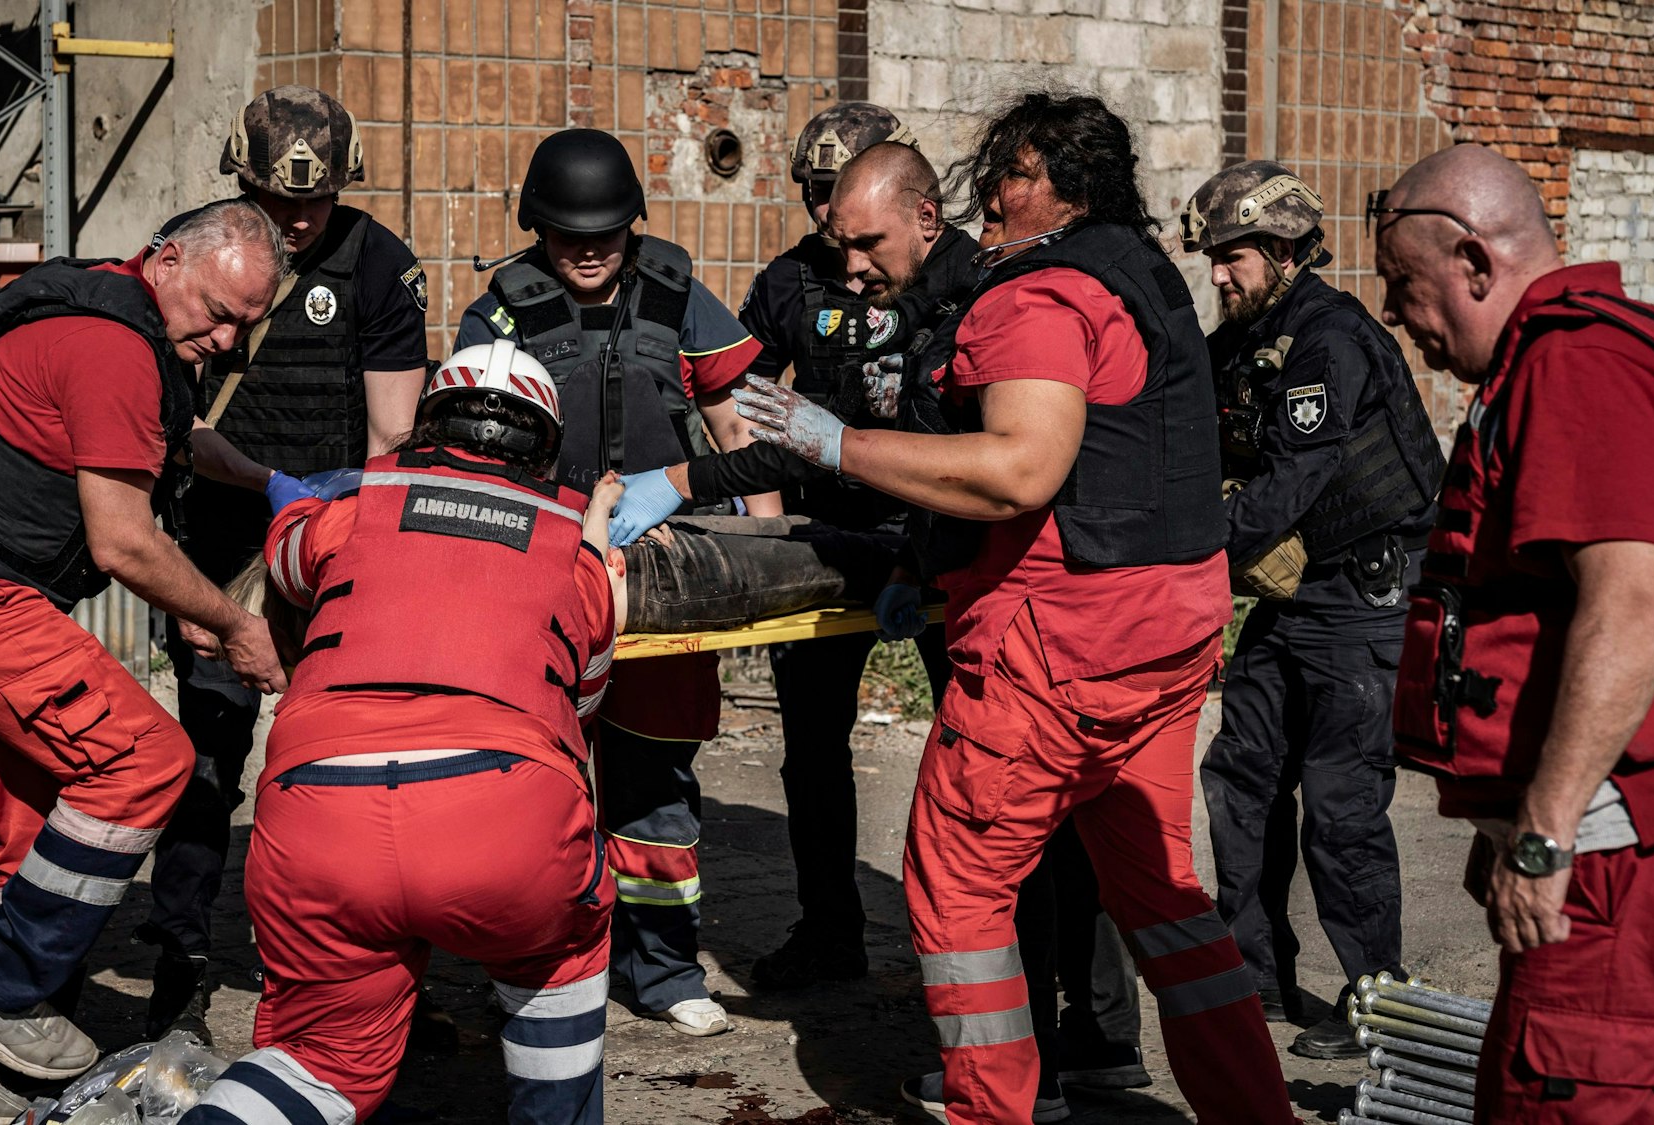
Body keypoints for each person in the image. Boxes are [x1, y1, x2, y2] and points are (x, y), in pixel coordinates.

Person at [735, 91, 1295, 1125]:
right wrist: (929, 559)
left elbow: (1017, 471)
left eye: (1001, 182)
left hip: (1058, 648)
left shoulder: (1032, 298)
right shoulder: (1140, 275)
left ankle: (994, 1108)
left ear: (1038, 183)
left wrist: (833, 443)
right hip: (1166, 636)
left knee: (955, 891)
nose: (985, 197)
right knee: (1163, 900)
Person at [0, 201, 289, 1124]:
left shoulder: (113, 315)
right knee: (144, 763)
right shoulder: (115, 347)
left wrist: (268, 482)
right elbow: (124, 542)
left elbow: (162, 444)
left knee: (47, 816)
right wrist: (235, 624)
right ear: (167, 260)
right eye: (216, 309)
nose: (225, 338)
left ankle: (15, 1082)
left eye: (248, 324)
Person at [176, 340, 625, 1125]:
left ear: (428, 427)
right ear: (545, 446)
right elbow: (578, 711)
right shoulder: (574, 553)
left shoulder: (356, 508)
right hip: (502, 814)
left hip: (319, 809)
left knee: (320, 1060)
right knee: (561, 951)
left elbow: (287, 564)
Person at [1380, 144, 1654, 1122]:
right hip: (1645, 842)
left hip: (1610, 856)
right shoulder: (1600, 349)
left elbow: (1627, 608)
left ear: (1473, 263)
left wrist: (1541, 833)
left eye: (1401, 285)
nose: (1391, 315)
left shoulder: (1572, 365)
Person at [608, 117, 977, 991]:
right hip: (830, 538)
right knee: (812, 747)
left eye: (838, 196)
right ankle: (829, 931)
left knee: (976, 746)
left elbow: (946, 431)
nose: (825, 219)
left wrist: (690, 477)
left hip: (947, 535)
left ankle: (976, 953)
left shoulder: (967, 276)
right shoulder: (790, 280)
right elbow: (748, 405)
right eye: (814, 198)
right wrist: (739, 505)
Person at [455, 127, 767, 1036]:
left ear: (633, 223)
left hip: (667, 582)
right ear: (537, 228)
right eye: (567, 235)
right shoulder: (500, 315)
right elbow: (471, 461)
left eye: (607, 233)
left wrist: (768, 553)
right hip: (545, 580)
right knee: (533, 783)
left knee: (656, 787)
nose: (589, 251)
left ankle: (666, 972)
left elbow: (738, 438)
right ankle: (540, 962)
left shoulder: (678, 298)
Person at [138, 84, 431, 1047]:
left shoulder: (380, 263)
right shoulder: (197, 248)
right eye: (279, 199)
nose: (299, 220)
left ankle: (375, 979)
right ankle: (177, 960)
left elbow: (395, 428)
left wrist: (362, 522)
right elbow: (169, 423)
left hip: (337, 548)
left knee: (348, 768)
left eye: (317, 202)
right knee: (210, 759)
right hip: (223, 548)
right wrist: (259, 482)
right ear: (242, 179)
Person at [1182, 160, 1444, 1057]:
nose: (1218, 274)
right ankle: (1252, 975)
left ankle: (1381, 1005)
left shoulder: (1329, 338)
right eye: (1213, 259)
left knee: (1341, 806)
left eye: (1232, 257)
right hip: (1294, 598)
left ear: (1285, 250)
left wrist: (1198, 557)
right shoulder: (1246, 338)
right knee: (1242, 775)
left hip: (1363, 599)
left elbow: (1297, 475)